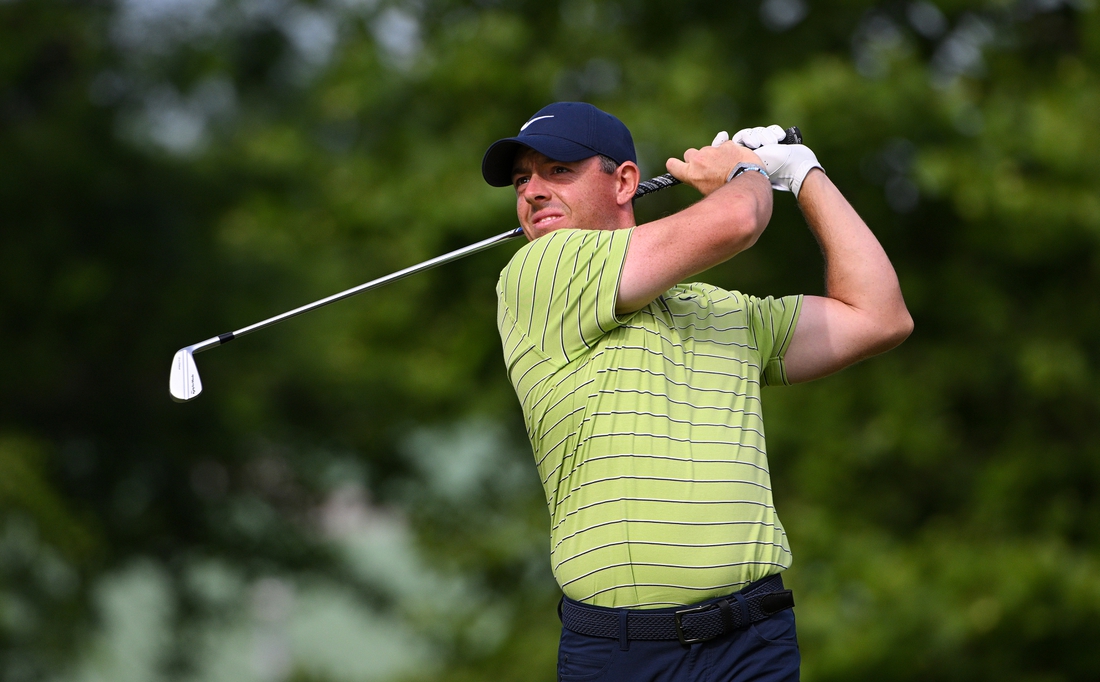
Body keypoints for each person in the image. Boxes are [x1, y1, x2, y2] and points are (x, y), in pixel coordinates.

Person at [482, 102, 912, 681]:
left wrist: (805, 173)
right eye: (521, 180)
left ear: (625, 182)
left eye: (557, 170)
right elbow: (736, 222)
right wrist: (748, 172)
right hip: (626, 653)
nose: (532, 191)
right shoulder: (539, 274)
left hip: (754, 640)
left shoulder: (718, 309)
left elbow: (880, 316)